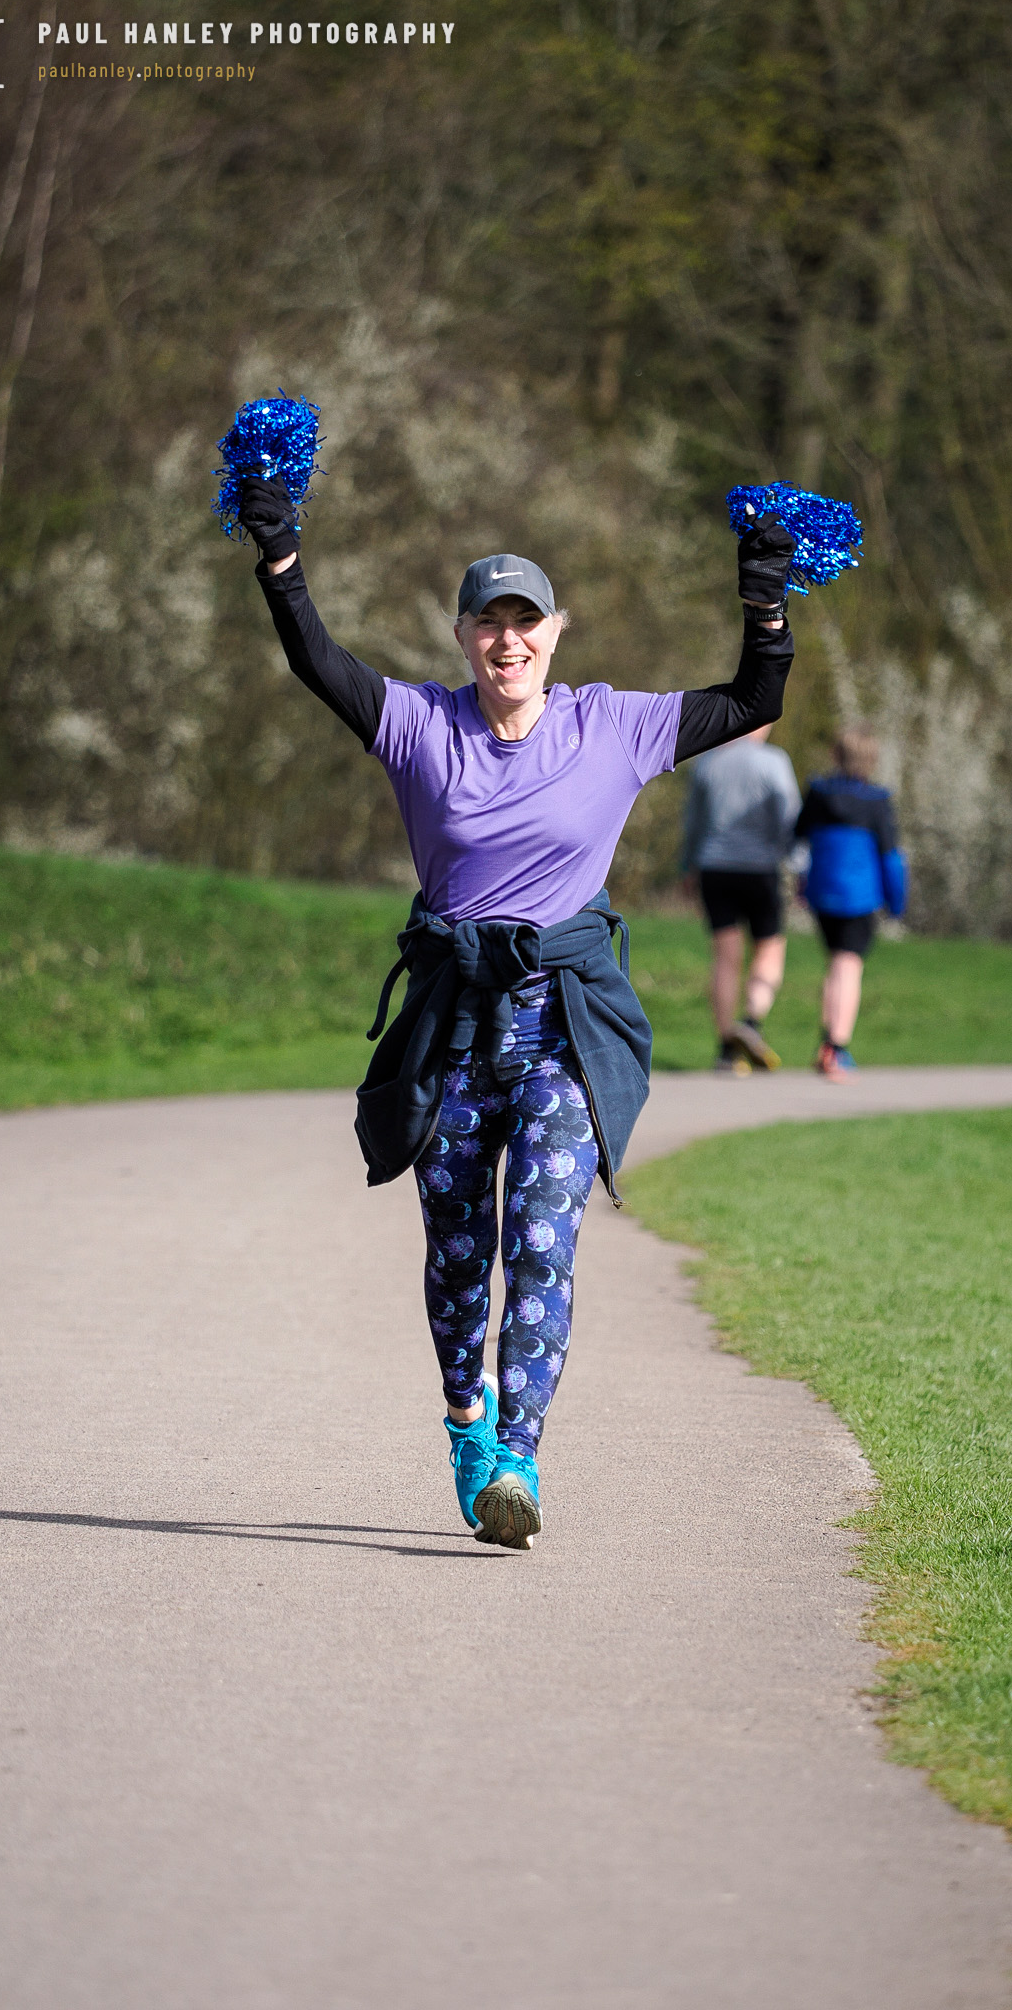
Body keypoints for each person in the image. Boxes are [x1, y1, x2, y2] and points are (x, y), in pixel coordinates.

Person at [236, 474, 796, 1549]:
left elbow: (750, 699)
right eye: (489, 622)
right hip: (453, 1028)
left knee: (541, 1239)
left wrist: (765, 601)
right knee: (459, 1255)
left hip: (560, 1030)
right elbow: (318, 662)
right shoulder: (419, 726)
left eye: (525, 621)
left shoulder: (612, 726)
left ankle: (519, 1462)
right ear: (462, 636)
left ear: (555, 632)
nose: (508, 640)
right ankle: (468, 1422)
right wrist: (281, 562)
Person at [682, 725, 801, 1073]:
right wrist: (797, 864)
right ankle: (750, 1022)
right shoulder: (774, 761)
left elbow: (693, 822)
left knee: (725, 956)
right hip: (760, 869)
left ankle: (726, 1050)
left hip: (713, 868)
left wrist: (687, 867)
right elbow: (788, 817)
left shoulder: (707, 761)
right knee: (770, 948)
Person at [795, 725, 906, 1080]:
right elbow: (891, 858)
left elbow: (798, 840)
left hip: (822, 894)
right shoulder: (877, 801)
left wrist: (801, 885)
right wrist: (897, 902)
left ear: (836, 755)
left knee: (835, 964)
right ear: (871, 759)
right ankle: (837, 1048)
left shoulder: (818, 793)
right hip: (860, 898)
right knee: (849, 966)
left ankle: (826, 1044)